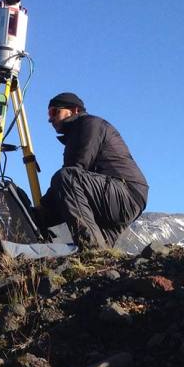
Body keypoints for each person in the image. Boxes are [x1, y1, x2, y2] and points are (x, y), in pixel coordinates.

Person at [33, 92, 148, 250]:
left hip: (126, 192)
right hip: (117, 195)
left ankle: (92, 250)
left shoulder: (89, 125)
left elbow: (77, 168)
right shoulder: (78, 132)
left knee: (66, 178)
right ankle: (98, 259)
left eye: (54, 112)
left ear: (74, 111)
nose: (50, 119)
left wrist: (43, 209)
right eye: (49, 114)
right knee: (102, 249)